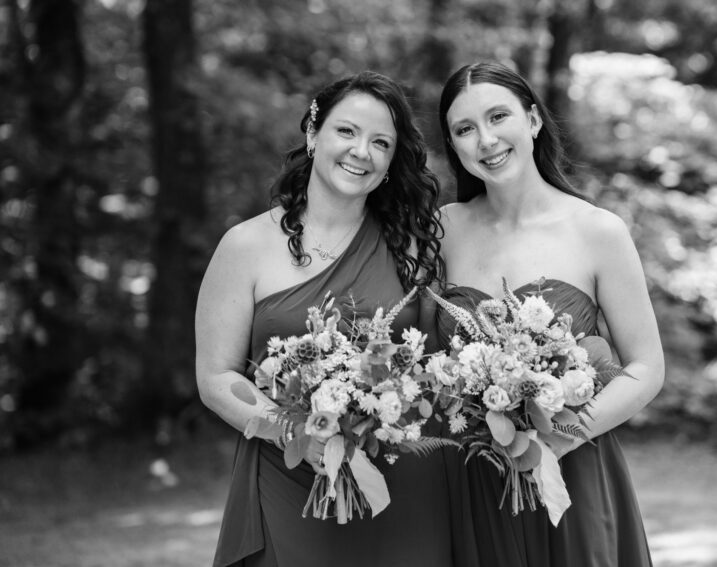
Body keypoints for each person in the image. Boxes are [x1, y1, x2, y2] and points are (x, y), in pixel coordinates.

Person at [196, 71, 452, 567]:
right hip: (288, 477)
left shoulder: (413, 249)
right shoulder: (244, 247)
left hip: (403, 488)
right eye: (347, 131)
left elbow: (435, 366)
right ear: (314, 135)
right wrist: (294, 433)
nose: (362, 151)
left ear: (390, 162)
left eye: (381, 142)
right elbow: (215, 378)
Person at [430, 62, 665, 566]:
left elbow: (646, 368)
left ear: (533, 120)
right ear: (453, 146)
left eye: (498, 117)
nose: (486, 140)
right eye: (465, 130)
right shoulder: (441, 232)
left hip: (574, 471)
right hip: (473, 480)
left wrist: (561, 436)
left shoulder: (597, 231)